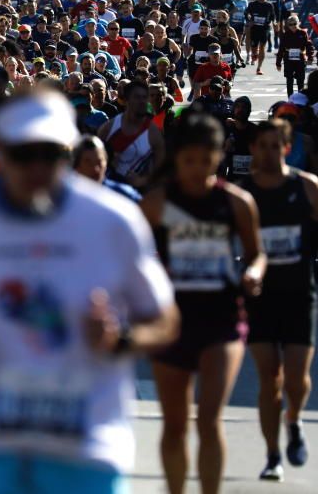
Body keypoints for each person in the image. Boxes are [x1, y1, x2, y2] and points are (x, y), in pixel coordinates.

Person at [0, 90, 178, 494]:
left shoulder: (113, 220)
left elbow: (164, 318)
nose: (38, 167)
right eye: (24, 154)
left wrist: (121, 339)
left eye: (52, 154)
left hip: (87, 443)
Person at [141, 113, 266, 494]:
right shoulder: (158, 204)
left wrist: (255, 274)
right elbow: (134, 259)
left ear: (219, 156)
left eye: (205, 160)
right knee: (176, 423)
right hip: (171, 324)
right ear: (177, 159)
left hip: (222, 321)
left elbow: (256, 254)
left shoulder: (237, 202)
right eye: (188, 161)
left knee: (210, 420)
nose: (197, 170)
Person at [240, 119, 318, 481]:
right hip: (260, 298)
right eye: (263, 146)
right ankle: (272, 455)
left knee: (296, 380)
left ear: (287, 148)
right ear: (253, 149)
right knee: (269, 378)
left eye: (276, 146)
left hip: (299, 293)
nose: (269, 152)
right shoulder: (243, 195)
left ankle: (295, 419)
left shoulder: (308, 188)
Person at [97, 80, 165, 191]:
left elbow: (162, 172)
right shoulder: (108, 128)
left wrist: (141, 181)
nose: (142, 101)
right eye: (137, 97)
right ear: (126, 99)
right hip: (110, 192)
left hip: (139, 195)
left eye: (144, 97)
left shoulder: (154, 133)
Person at [72, 134, 142, 201]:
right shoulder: (64, 194)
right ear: (76, 165)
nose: (96, 169)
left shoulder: (124, 196)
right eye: (88, 163)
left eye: (99, 162)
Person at [276, 14, 314, 96]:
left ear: (298, 23)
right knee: (289, 81)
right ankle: (290, 99)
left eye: (294, 24)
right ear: (288, 25)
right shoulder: (286, 34)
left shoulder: (303, 33)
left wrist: (310, 57)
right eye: (290, 24)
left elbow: (309, 45)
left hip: (300, 60)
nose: (293, 26)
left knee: (300, 81)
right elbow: (281, 49)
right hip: (288, 60)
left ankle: (300, 99)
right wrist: (278, 63)